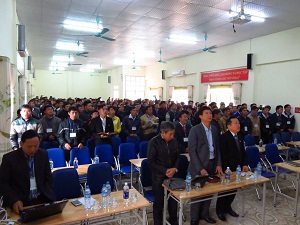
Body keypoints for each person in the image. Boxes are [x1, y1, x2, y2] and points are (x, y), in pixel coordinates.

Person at [0, 130, 55, 214]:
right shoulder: (9, 159)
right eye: (29, 146)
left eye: (36, 146)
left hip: (41, 199)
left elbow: (48, 177)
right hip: (21, 201)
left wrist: (49, 193)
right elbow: (3, 184)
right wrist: (14, 200)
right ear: (21, 144)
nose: (33, 150)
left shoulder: (43, 154)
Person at [188, 106, 223, 224]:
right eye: (206, 113)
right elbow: (192, 151)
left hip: (212, 164)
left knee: (209, 191)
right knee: (197, 193)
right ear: (200, 116)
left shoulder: (214, 129)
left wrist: (218, 164)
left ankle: (204, 214)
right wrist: (200, 168)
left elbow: (217, 148)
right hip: (199, 166)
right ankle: (194, 219)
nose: (210, 115)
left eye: (210, 113)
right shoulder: (195, 130)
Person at [215, 117, 248, 221]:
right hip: (228, 169)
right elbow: (223, 154)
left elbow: (243, 152)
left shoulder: (240, 136)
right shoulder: (224, 137)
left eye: (238, 123)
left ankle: (228, 207)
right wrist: (226, 169)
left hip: (238, 169)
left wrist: (245, 164)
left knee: (234, 190)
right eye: (235, 123)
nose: (238, 125)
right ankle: (220, 210)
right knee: (224, 190)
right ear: (229, 126)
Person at [147, 121, 180, 225]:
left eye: (173, 134)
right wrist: (164, 171)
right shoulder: (154, 142)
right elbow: (151, 162)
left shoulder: (174, 141)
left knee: (173, 201)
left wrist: (175, 168)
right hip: (159, 177)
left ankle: (173, 221)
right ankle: (158, 222)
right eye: (170, 134)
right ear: (163, 132)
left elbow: (178, 157)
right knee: (158, 203)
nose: (172, 136)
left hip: (172, 176)